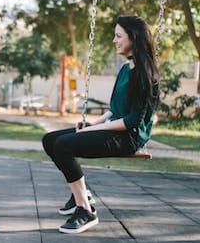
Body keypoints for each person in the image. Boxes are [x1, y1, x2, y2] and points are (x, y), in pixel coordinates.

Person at [42, 15, 160, 234]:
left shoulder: (145, 75)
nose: (114, 40)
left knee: (64, 145)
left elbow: (131, 121)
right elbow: (115, 110)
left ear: (133, 38)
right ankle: (82, 193)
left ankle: (85, 211)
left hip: (130, 137)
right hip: (116, 127)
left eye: (118, 36)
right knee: (50, 140)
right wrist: (92, 123)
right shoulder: (126, 69)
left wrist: (94, 129)